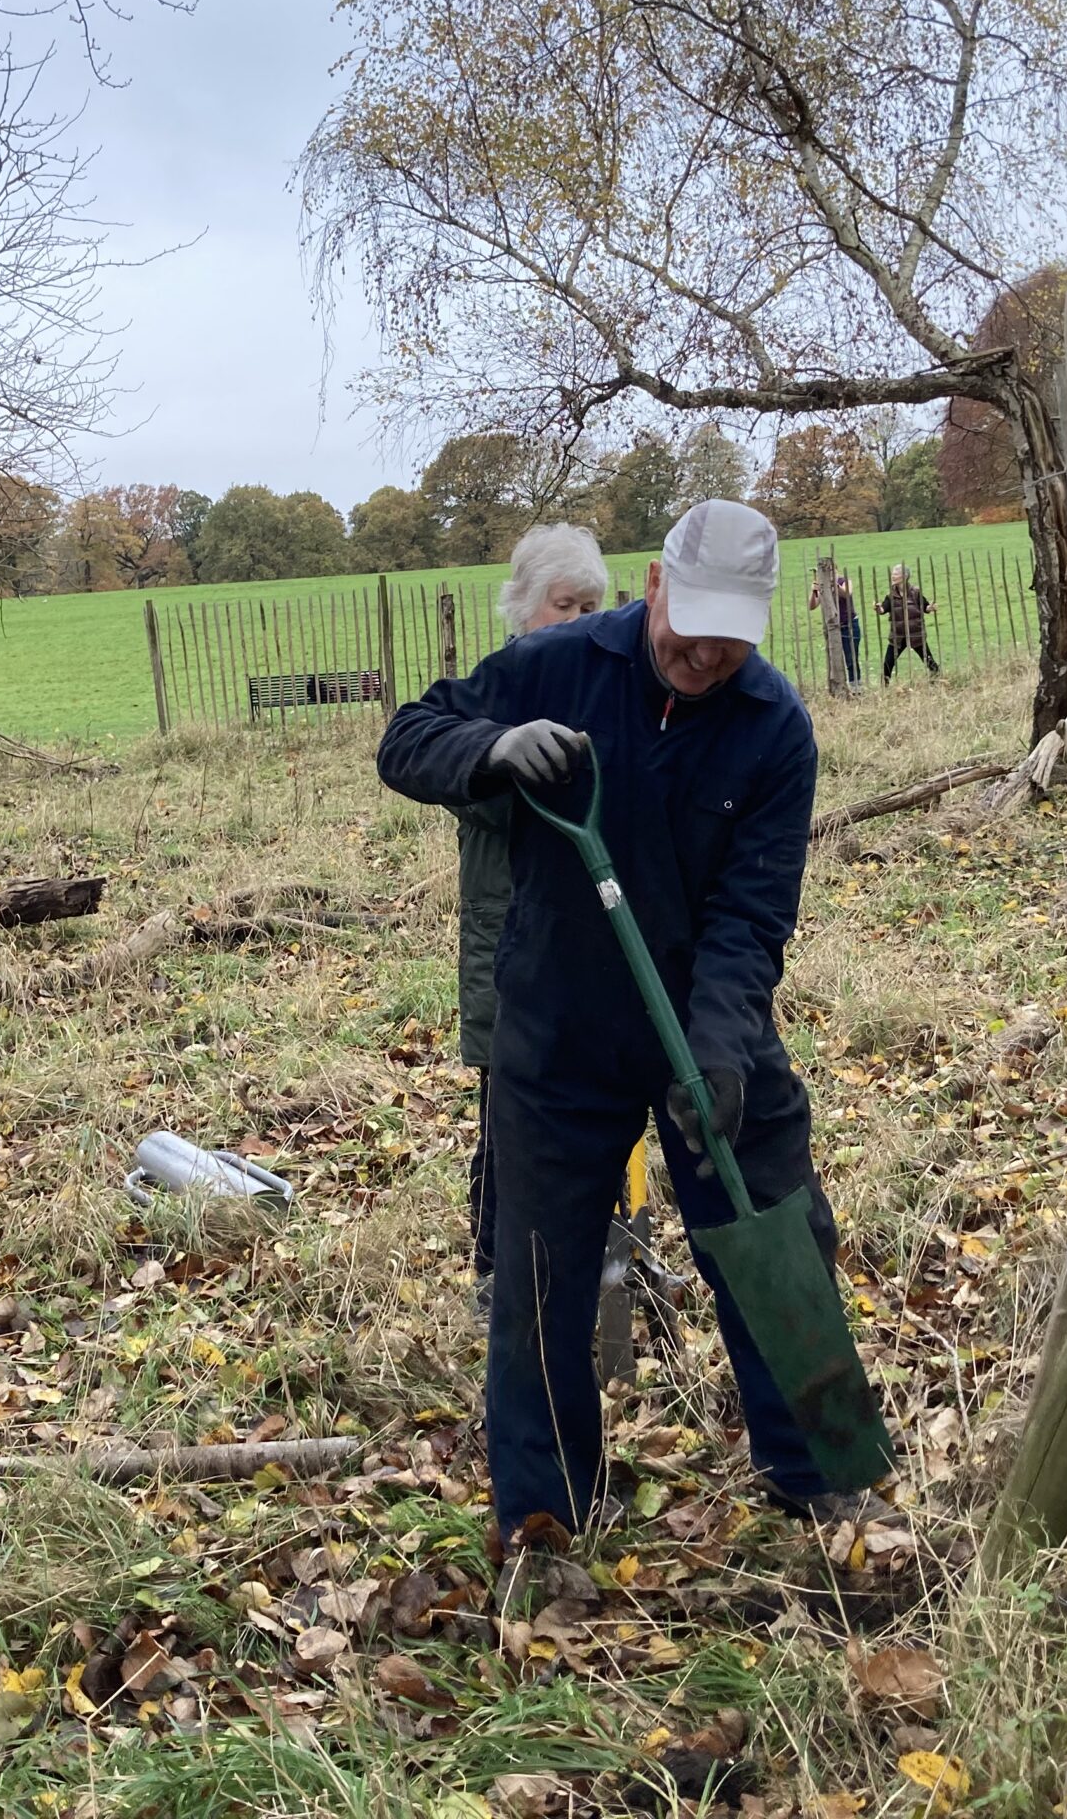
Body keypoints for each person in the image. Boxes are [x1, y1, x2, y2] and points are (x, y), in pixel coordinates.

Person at [379, 500, 884, 1552]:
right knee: (540, 1276)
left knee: (775, 1229)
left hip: (703, 1026)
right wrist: (492, 748)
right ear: (653, 584)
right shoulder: (558, 663)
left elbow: (753, 915)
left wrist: (720, 1049)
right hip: (558, 1032)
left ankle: (822, 1476)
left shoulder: (774, 727)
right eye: (687, 623)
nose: (703, 654)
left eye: (730, 637)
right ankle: (546, 1513)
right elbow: (408, 739)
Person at [461, 525, 609, 1316]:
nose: (580, 618)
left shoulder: (607, 689)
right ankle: (496, 1270)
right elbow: (462, 784)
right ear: (523, 608)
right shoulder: (498, 691)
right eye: (564, 604)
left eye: (591, 604)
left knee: (596, 1107)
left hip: (597, 938)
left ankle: (598, 1252)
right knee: (510, 1116)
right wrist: (506, 754)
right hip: (511, 945)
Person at [877, 564, 940, 681]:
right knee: (888, 663)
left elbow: (925, 607)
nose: (892, 576)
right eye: (892, 574)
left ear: (904, 576)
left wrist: (930, 608)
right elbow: (883, 609)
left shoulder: (915, 593)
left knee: (928, 660)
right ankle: (884, 689)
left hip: (915, 634)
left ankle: (937, 680)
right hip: (898, 636)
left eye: (895, 574)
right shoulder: (891, 596)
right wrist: (878, 608)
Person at [807, 570, 865, 685]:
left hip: (849, 625)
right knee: (834, 660)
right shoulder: (822, 586)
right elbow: (812, 606)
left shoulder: (844, 581)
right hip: (833, 628)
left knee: (851, 659)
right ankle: (838, 687)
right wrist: (814, 591)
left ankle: (856, 687)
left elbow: (847, 593)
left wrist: (834, 584)